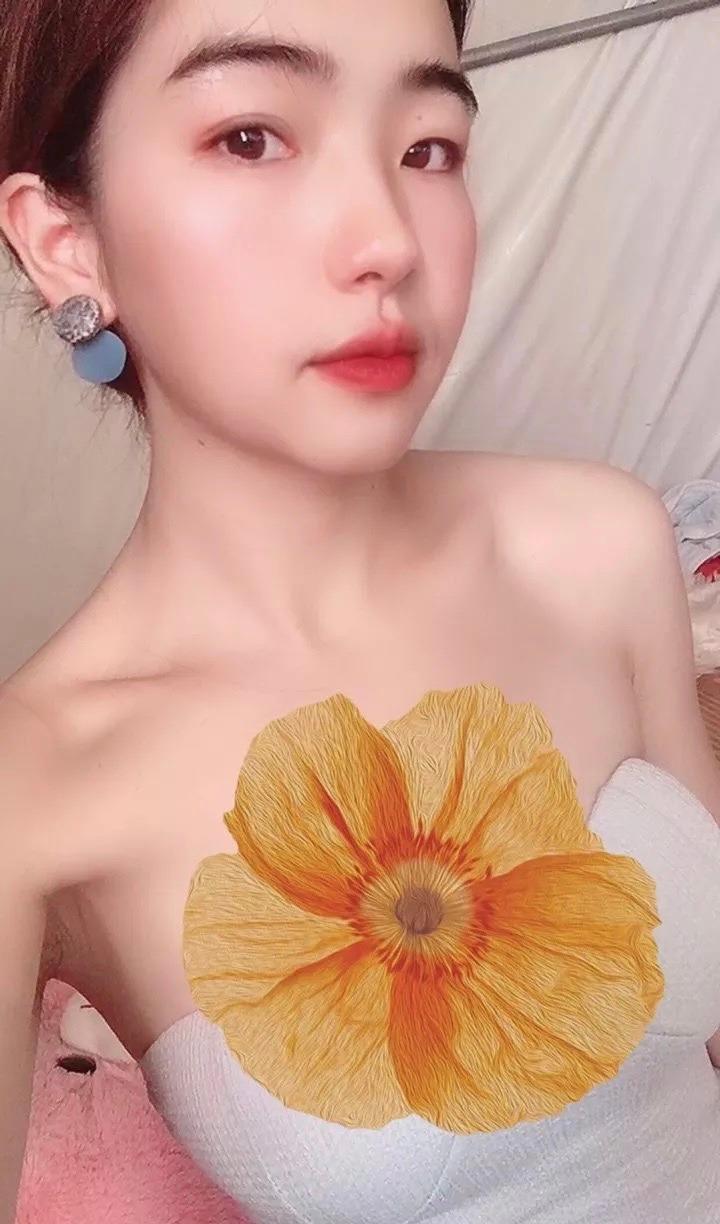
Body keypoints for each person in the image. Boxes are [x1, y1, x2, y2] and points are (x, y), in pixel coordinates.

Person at [1, 0, 719, 1220]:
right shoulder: (38, 783)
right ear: (66, 240)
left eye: (428, 147)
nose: (388, 238)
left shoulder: (598, 545)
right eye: (250, 138)